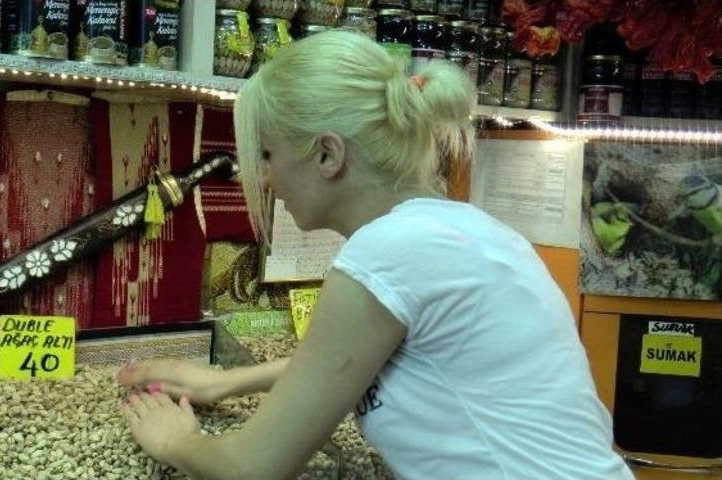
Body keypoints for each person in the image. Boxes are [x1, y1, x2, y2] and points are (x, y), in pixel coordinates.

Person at [117, 30, 634, 480]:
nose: (267, 178)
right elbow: (370, 359)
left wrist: (173, 440)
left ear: (327, 154)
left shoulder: (385, 254)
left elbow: (250, 468)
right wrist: (231, 381)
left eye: (269, 155)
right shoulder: (468, 229)